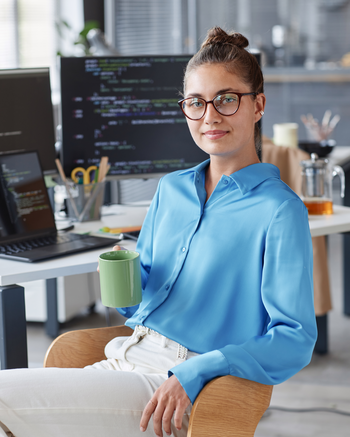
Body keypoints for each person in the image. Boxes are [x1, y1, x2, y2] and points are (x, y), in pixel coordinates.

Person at [0, 27, 317, 437]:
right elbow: (137, 307)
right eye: (196, 103)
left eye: (226, 99)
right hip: (124, 354)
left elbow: (294, 338)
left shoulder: (278, 210)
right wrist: (125, 281)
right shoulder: (172, 189)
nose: (210, 116)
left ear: (257, 105)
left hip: (184, 386)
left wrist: (197, 370)